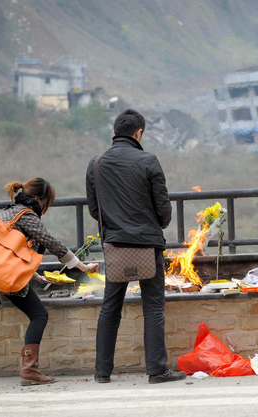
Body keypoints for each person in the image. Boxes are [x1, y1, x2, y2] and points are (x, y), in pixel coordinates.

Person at [86, 109, 186, 384]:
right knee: (153, 307)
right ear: (139, 133)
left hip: (115, 245)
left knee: (110, 306)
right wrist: (154, 224)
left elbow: (96, 211)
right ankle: (157, 370)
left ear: (114, 133)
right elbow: (163, 209)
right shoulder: (148, 160)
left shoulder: (95, 164)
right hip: (146, 244)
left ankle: (102, 372)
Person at [0, 178, 99, 386]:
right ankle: (29, 370)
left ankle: (30, 370)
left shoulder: (8, 211)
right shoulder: (26, 215)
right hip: (7, 277)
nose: (45, 208)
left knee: (37, 313)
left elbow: (13, 253)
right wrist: (84, 267)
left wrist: (39, 278)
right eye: (46, 203)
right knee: (39, 315)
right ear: (37, 199)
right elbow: (52, 243)